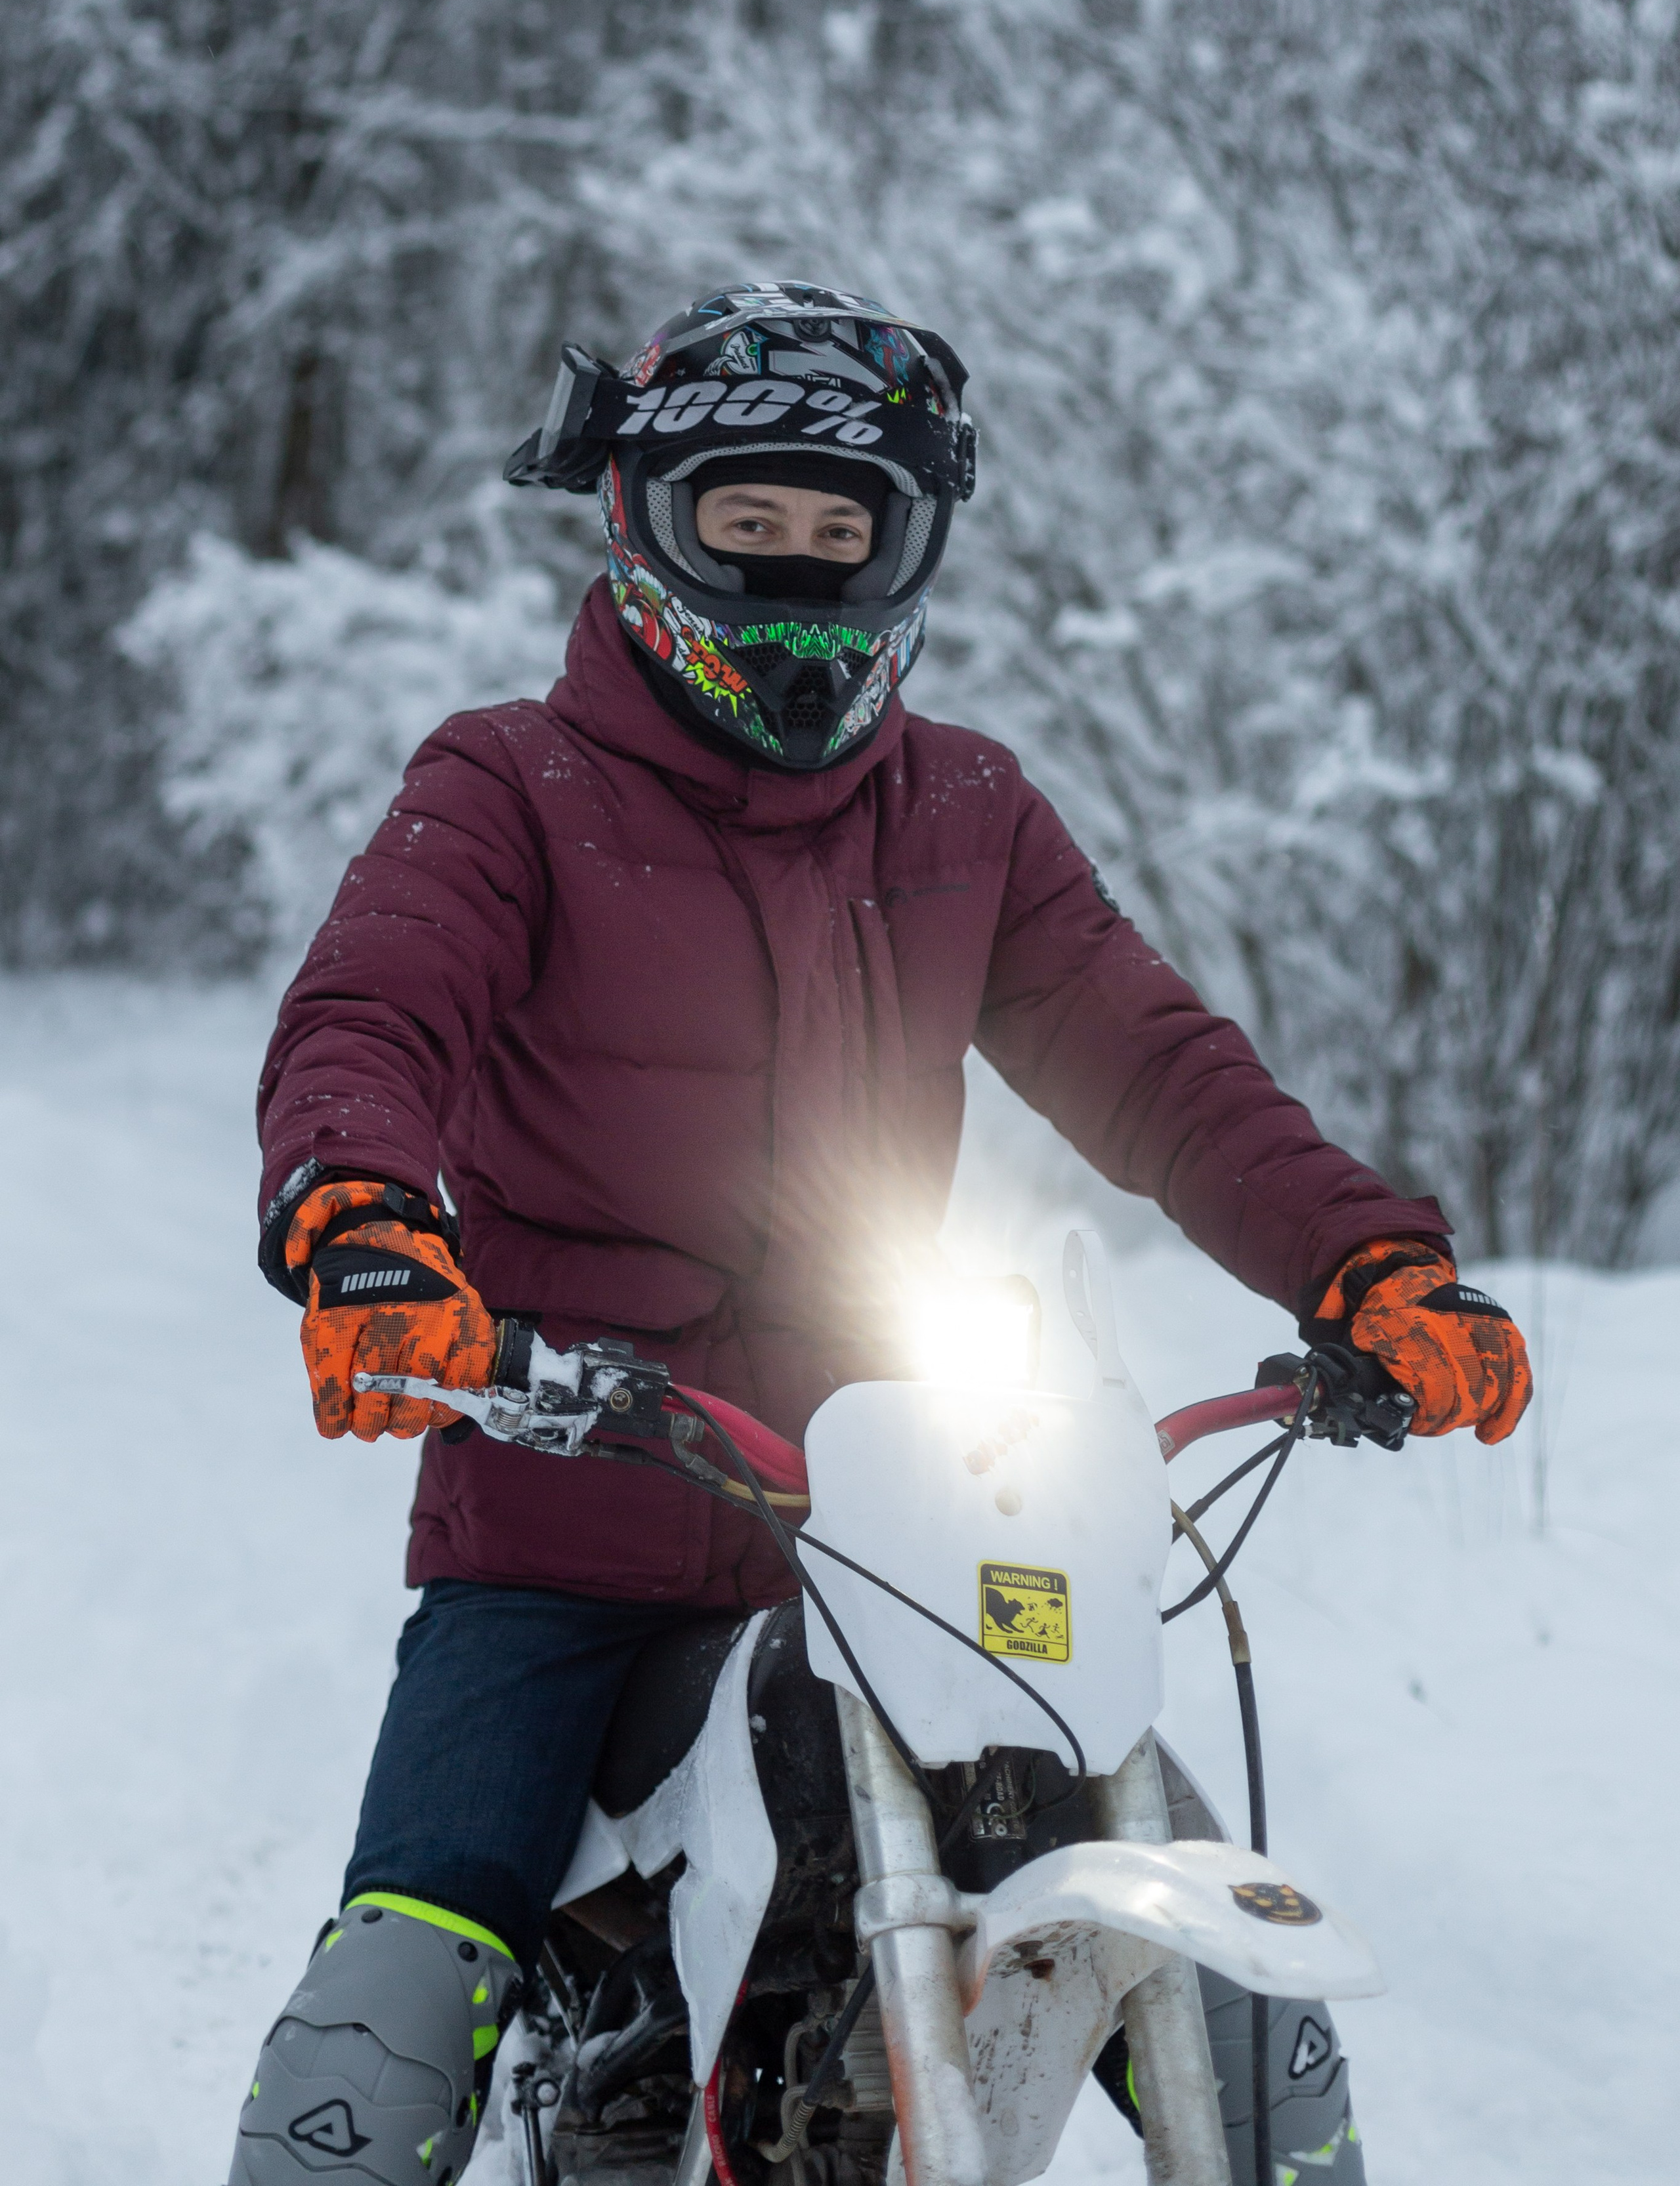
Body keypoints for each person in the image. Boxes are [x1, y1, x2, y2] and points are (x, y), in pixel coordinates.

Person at [226, 282, 1530, 2185]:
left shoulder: (972, 814)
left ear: (912, 546)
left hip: (883, 1536)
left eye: (846, 533)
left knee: (1186, 1910)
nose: (795, 570)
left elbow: (1163, 1070)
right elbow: (372, 1010)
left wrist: (1369, 1263)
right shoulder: (508, 785)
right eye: (744, 524)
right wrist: (361, 1224)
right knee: (403, 1998)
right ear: (641, 521)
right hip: (557, 1509)